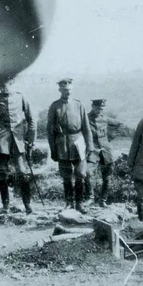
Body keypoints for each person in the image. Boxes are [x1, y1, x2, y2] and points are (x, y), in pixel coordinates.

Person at [0, 78, 35, 214]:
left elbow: (31, 118)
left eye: (5, 85)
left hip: (18, 140)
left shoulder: (21, 97)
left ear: (11, 84)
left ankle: (27, 205)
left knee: (22, 172)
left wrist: (30, 137)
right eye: (1, 86)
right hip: (1, 140)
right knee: (3, 171)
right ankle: (6, 206)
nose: (3, 88)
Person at [47, 78, 93, 213]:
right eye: (65, 90)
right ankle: (69, 202)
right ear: (60, 90)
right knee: (66, 175)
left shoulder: (79, 105)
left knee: (80, 173)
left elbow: (86, 127)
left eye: (70, 90)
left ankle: (79, 203)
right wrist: (53, 149)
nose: (67, 92)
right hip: (62, 144)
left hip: (78, 142)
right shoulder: (55, 106)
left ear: (72, 90)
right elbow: (49, 130)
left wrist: (89, 145)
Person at [85, 98, 122, 207]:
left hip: (106, 149)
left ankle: (103, 200)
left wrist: (110, 137)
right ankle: (90, 198)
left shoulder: (105, 118)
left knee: (107, 177)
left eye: (101, 109)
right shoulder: (86, 118)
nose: (99, 111)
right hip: (93, 149)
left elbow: (121, 125)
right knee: (87, 172)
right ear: (92, 107)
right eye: (97, 108)